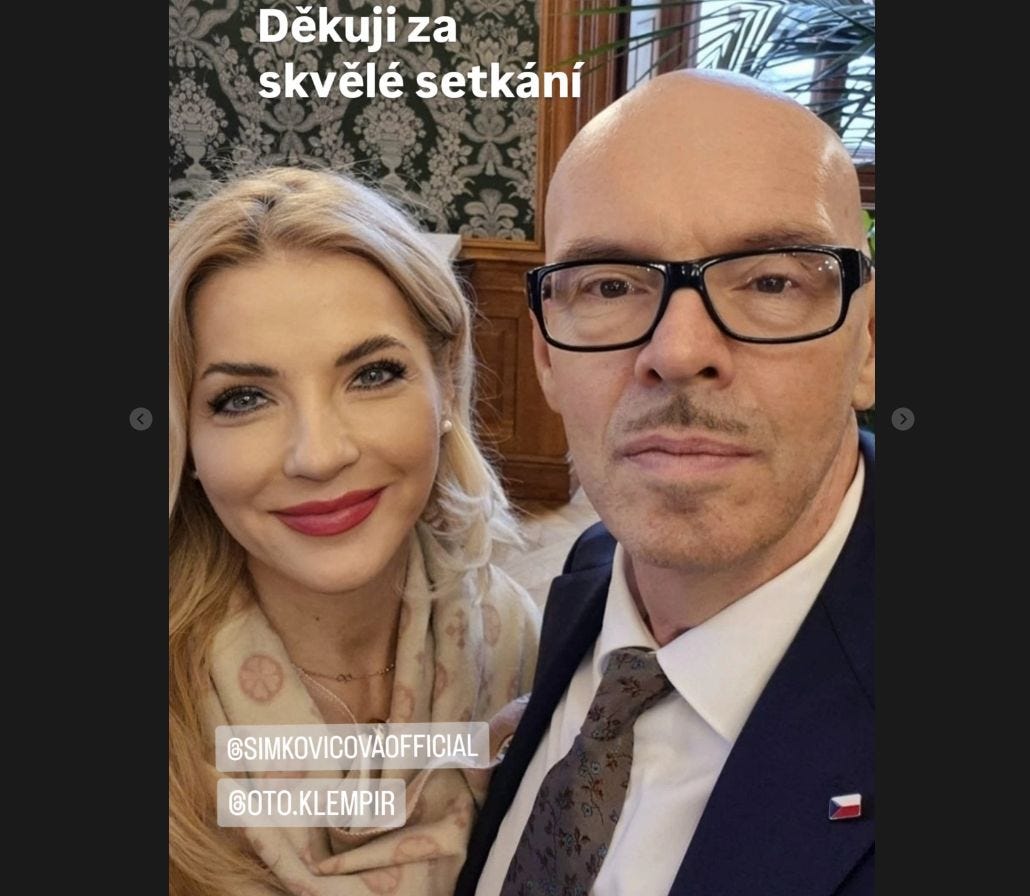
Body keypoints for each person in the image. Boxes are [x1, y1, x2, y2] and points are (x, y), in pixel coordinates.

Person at [457, 69, 875, 896]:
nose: (679, 352)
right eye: (611, 285)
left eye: (771, 281)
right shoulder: (592, 570)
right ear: (544, 355)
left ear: (868, 343)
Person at [168, 166, 540, 896]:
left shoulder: (511, 638)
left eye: (371, 375)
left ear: (446, 384)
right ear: (187, 441)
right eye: (243, 398)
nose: (319, 455)